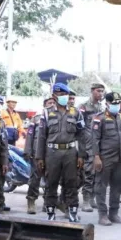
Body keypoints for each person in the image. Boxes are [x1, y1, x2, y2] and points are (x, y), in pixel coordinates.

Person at [35, 83, 85, 222]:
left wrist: (81, 155)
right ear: (54, 96)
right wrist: (40, 157)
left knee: (71, 182)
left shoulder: (76, 112)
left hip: (70, 152)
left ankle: (72, 212)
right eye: (61, 94)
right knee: (51, 183)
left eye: (65, 94)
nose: (64, 97)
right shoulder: (46, 113)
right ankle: (50, 212)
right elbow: (41, 137)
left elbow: (82, 135)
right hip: (52, 152)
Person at [92, 92, 121, 225]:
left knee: (117, 186)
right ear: (107, 103)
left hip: (119, 159)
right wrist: (96, 157)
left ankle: (114, 213)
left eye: (118, 103)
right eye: (114, 103)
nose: (117, 106)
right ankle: (103, 215)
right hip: (104, 158)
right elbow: (94, 139)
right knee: (101, 187)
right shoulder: (99, 118)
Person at [23, 98, 56, 215]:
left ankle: (47, 203)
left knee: (50, 180)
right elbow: (30, 136)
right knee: (34, 179)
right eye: (49, 103)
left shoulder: (56, 117)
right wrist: (27, 151)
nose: (51, 105)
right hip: (37, 154)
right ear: (44, 105)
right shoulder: (36, 118)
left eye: (53, 103)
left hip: (51, 154)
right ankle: (31, 202)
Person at [78, 83, 105, 212]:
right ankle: (86, 200)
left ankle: (93, 197)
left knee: (97, 172)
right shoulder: (84, 107)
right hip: (87, 144)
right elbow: (79, 128)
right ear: (92, 91)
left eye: (102, 91)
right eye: (98, 91)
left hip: (98, 144)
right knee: (88, 173)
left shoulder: (101, 107)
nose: (101, 93)